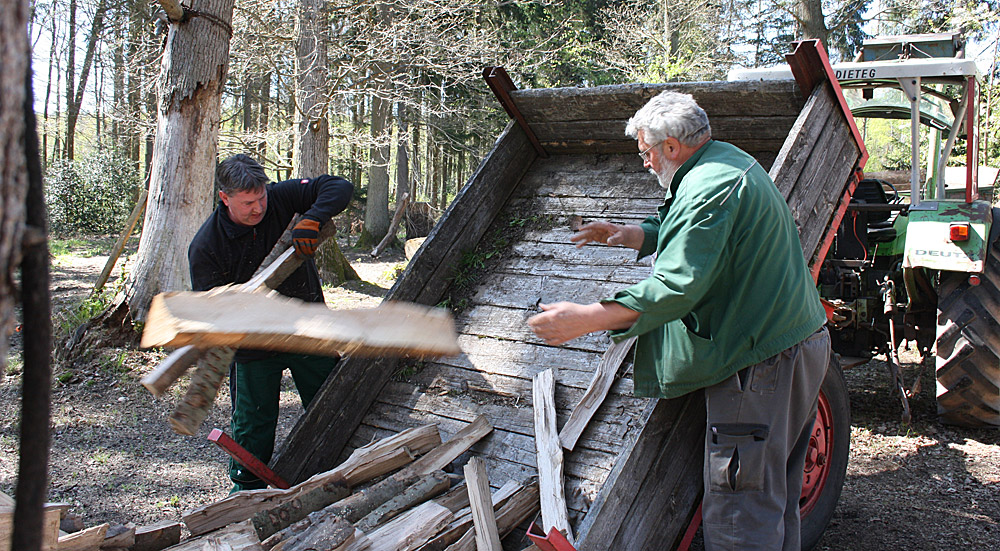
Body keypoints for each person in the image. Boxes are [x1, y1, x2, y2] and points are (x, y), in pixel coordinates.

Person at [526, 91, 830, 550]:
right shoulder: (722, 163)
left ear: (671, 146)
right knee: (774, 501)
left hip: (761, 365)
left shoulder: (710, 187)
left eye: (646, 152)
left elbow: (677, 286)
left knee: (741, 515)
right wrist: (628, 234)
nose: (645, 163)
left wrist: (587, 318)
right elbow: (686, 227)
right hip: (793, 346)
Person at [188, 154, 353, 492]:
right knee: (253, 424)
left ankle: (349, 469)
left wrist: (313, 217)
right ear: (225, 198)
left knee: (333, 404)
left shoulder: (278, 197)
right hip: (253, 346)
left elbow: (339, 186)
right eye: (248, 202)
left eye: (261, 197)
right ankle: (245, 492)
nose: (259, 208)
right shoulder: (206, 247)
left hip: (306, 331)